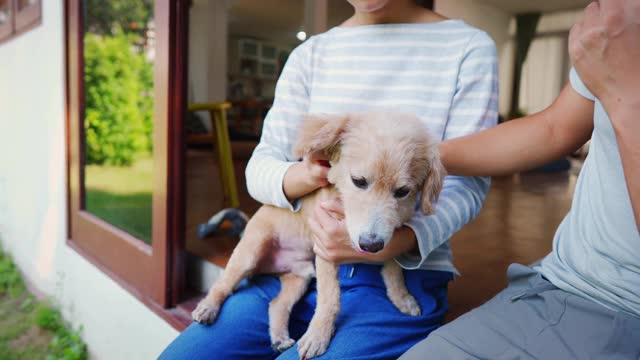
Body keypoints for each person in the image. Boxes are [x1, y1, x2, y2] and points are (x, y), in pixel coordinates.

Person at [159, 0, 498, 359]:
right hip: (299, 254)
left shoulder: (467, 49)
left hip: (404, 267)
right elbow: (261, 166)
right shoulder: (311, 55)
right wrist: (306, 174)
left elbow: (467, 184)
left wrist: (402, 241)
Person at [399, 0, 640, 358]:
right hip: (559, 282)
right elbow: (554, 128)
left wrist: (625, 95)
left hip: (617, 306)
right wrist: (422, 158)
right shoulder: (623, 24)